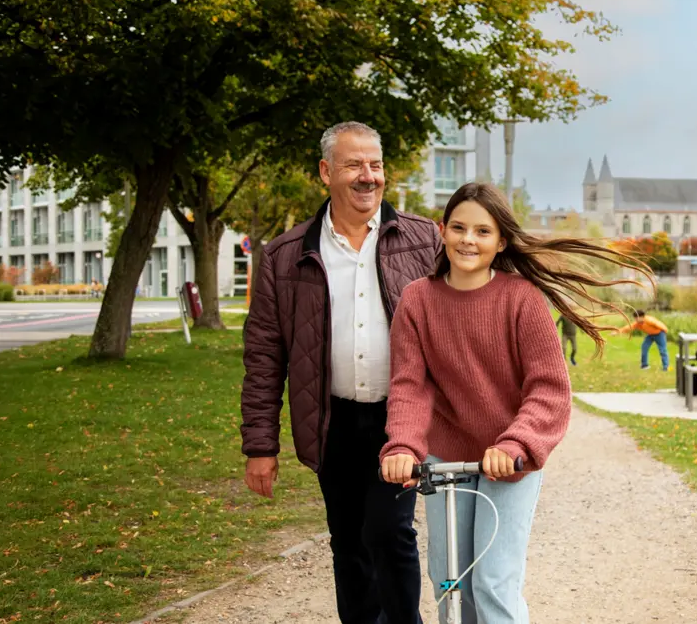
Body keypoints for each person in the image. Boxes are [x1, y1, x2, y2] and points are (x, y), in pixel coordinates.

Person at [378, 182, 655, 624]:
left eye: (482, 231)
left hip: (510, 458)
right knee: (450, 581)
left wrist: (516, 444)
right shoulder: (417, 299)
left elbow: (548, 388)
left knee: (492, 582)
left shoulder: (520, 299)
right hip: (447, 455)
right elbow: (410, 385)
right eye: (459, 227)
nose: (469, 239)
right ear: (442, 231)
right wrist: (403, 447)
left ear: (500, 241)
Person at [240, 121, 441, 624]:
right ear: (326, 172)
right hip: (330, 422)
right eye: (354, 165)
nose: (367, 176)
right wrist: (261, 446)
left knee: (389, 532)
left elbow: (460, 323)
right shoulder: (284, 255)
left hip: (402, 418)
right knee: (348, 541)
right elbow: (265, 356)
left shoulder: (422, 240)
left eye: (375, 165)